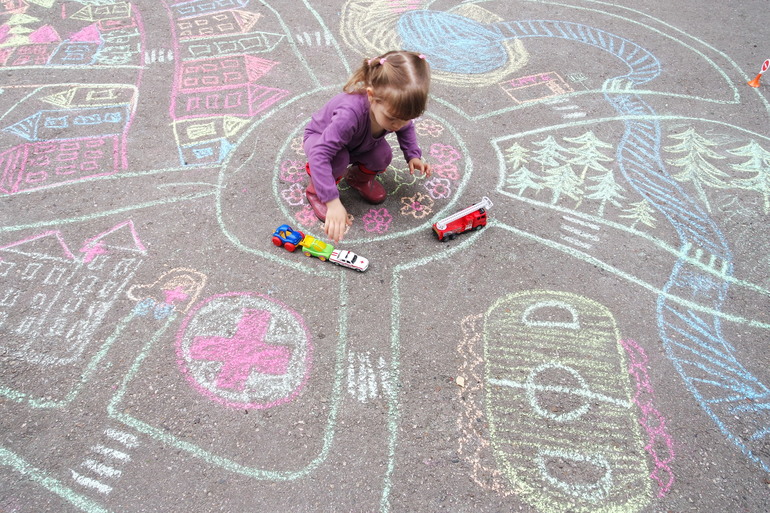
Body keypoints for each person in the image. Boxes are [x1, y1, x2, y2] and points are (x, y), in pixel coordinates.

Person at [303, 50, 432, 243]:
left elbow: (406, 127)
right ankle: (316, 192)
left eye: (405, 118)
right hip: (319, 140)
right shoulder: (349, 115)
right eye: (392, 118)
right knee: (338, 158)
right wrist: (332, 202)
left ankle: (357, 179)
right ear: (371, 96)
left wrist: (413, 155)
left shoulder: (394, 111)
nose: (398, 125)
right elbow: (319, 154)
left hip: (357, 143)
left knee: (382, 155)